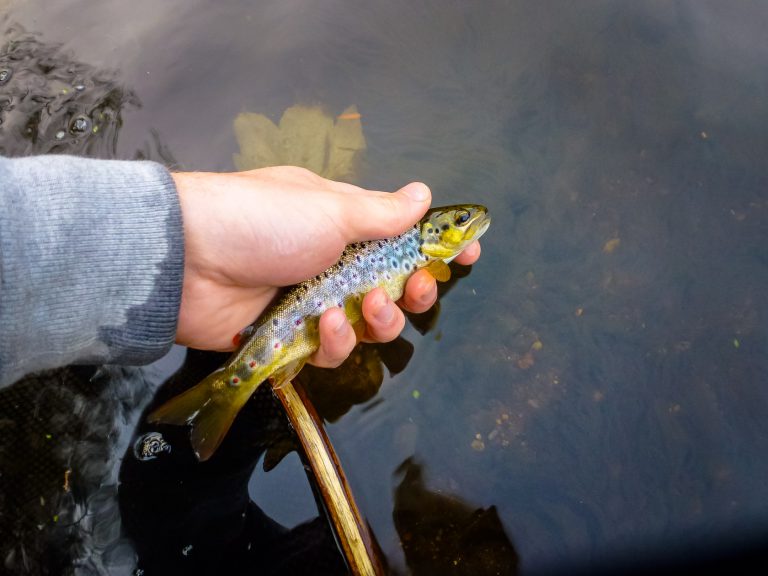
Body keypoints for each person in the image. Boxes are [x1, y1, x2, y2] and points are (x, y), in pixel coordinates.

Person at [0, 155, 481, 387]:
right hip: (277, 311)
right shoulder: (413, 239)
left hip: (266, 310)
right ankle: (231, 388)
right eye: (460, 222)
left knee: (355, 320)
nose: (470, 224)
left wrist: (187, 257)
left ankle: (234, 383)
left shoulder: (428, 261)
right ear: (435, 231)